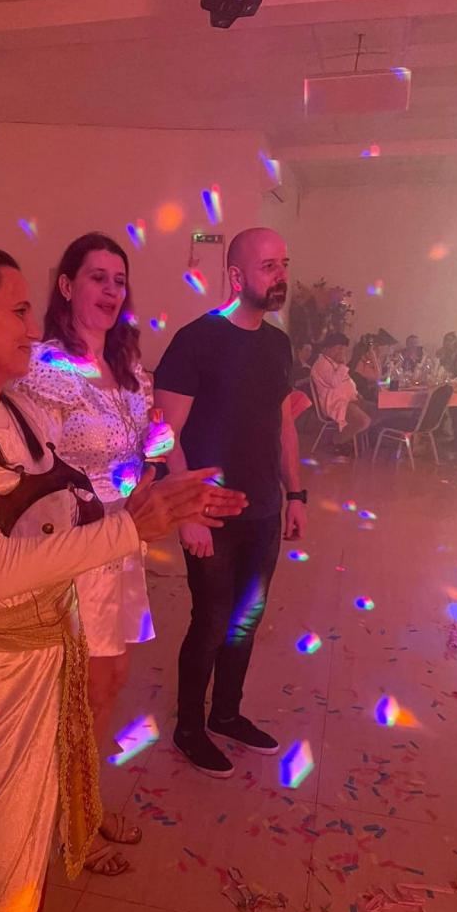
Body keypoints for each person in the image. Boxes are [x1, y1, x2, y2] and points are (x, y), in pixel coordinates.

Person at [0, 243, 247, 912]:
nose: (34, 327)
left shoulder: (22, 407)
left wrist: (164, 501)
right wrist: (132, 526)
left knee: (32, 839)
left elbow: (75, 502)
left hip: (49, 645)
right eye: (19, 309)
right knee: (5, 871)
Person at [16, 232, 172, 876]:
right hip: (75, 541)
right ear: (66, 286)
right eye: (97, 277)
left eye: (118, 280)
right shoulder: (46, 368)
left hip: (123, 541)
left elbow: (141, 451)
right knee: (80, 686)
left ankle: (84, 798)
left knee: (110, 679)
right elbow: (32, 466)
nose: (110, 290)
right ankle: (67, 818)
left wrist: (155, 449)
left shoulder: (128, 368)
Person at [154, 227, 307, 778]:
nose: (281, 276)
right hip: (211, 513)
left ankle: (226, 714)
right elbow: (163, 435)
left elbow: (282, 425)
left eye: (284, 264)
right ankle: (189, 728)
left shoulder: (277, 344)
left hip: (264, 509)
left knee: (246, 618)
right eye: (269, 267)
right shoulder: (195, 341)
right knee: (211, 621)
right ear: (237, 276)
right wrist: (187, 512)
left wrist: (296, 494)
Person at [310, 332, 372, 455]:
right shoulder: (322, 364)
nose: (341, 352)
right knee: (363, 421)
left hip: (351, 400)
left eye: (343, 349)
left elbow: (348, 382)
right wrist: (343, 364)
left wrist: (356, 393)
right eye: (339, 348)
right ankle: (337, 440)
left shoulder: (334, 363)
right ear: (328, 348)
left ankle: (352, 441)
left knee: (378, 411)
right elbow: (334, 382)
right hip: (337, 404)